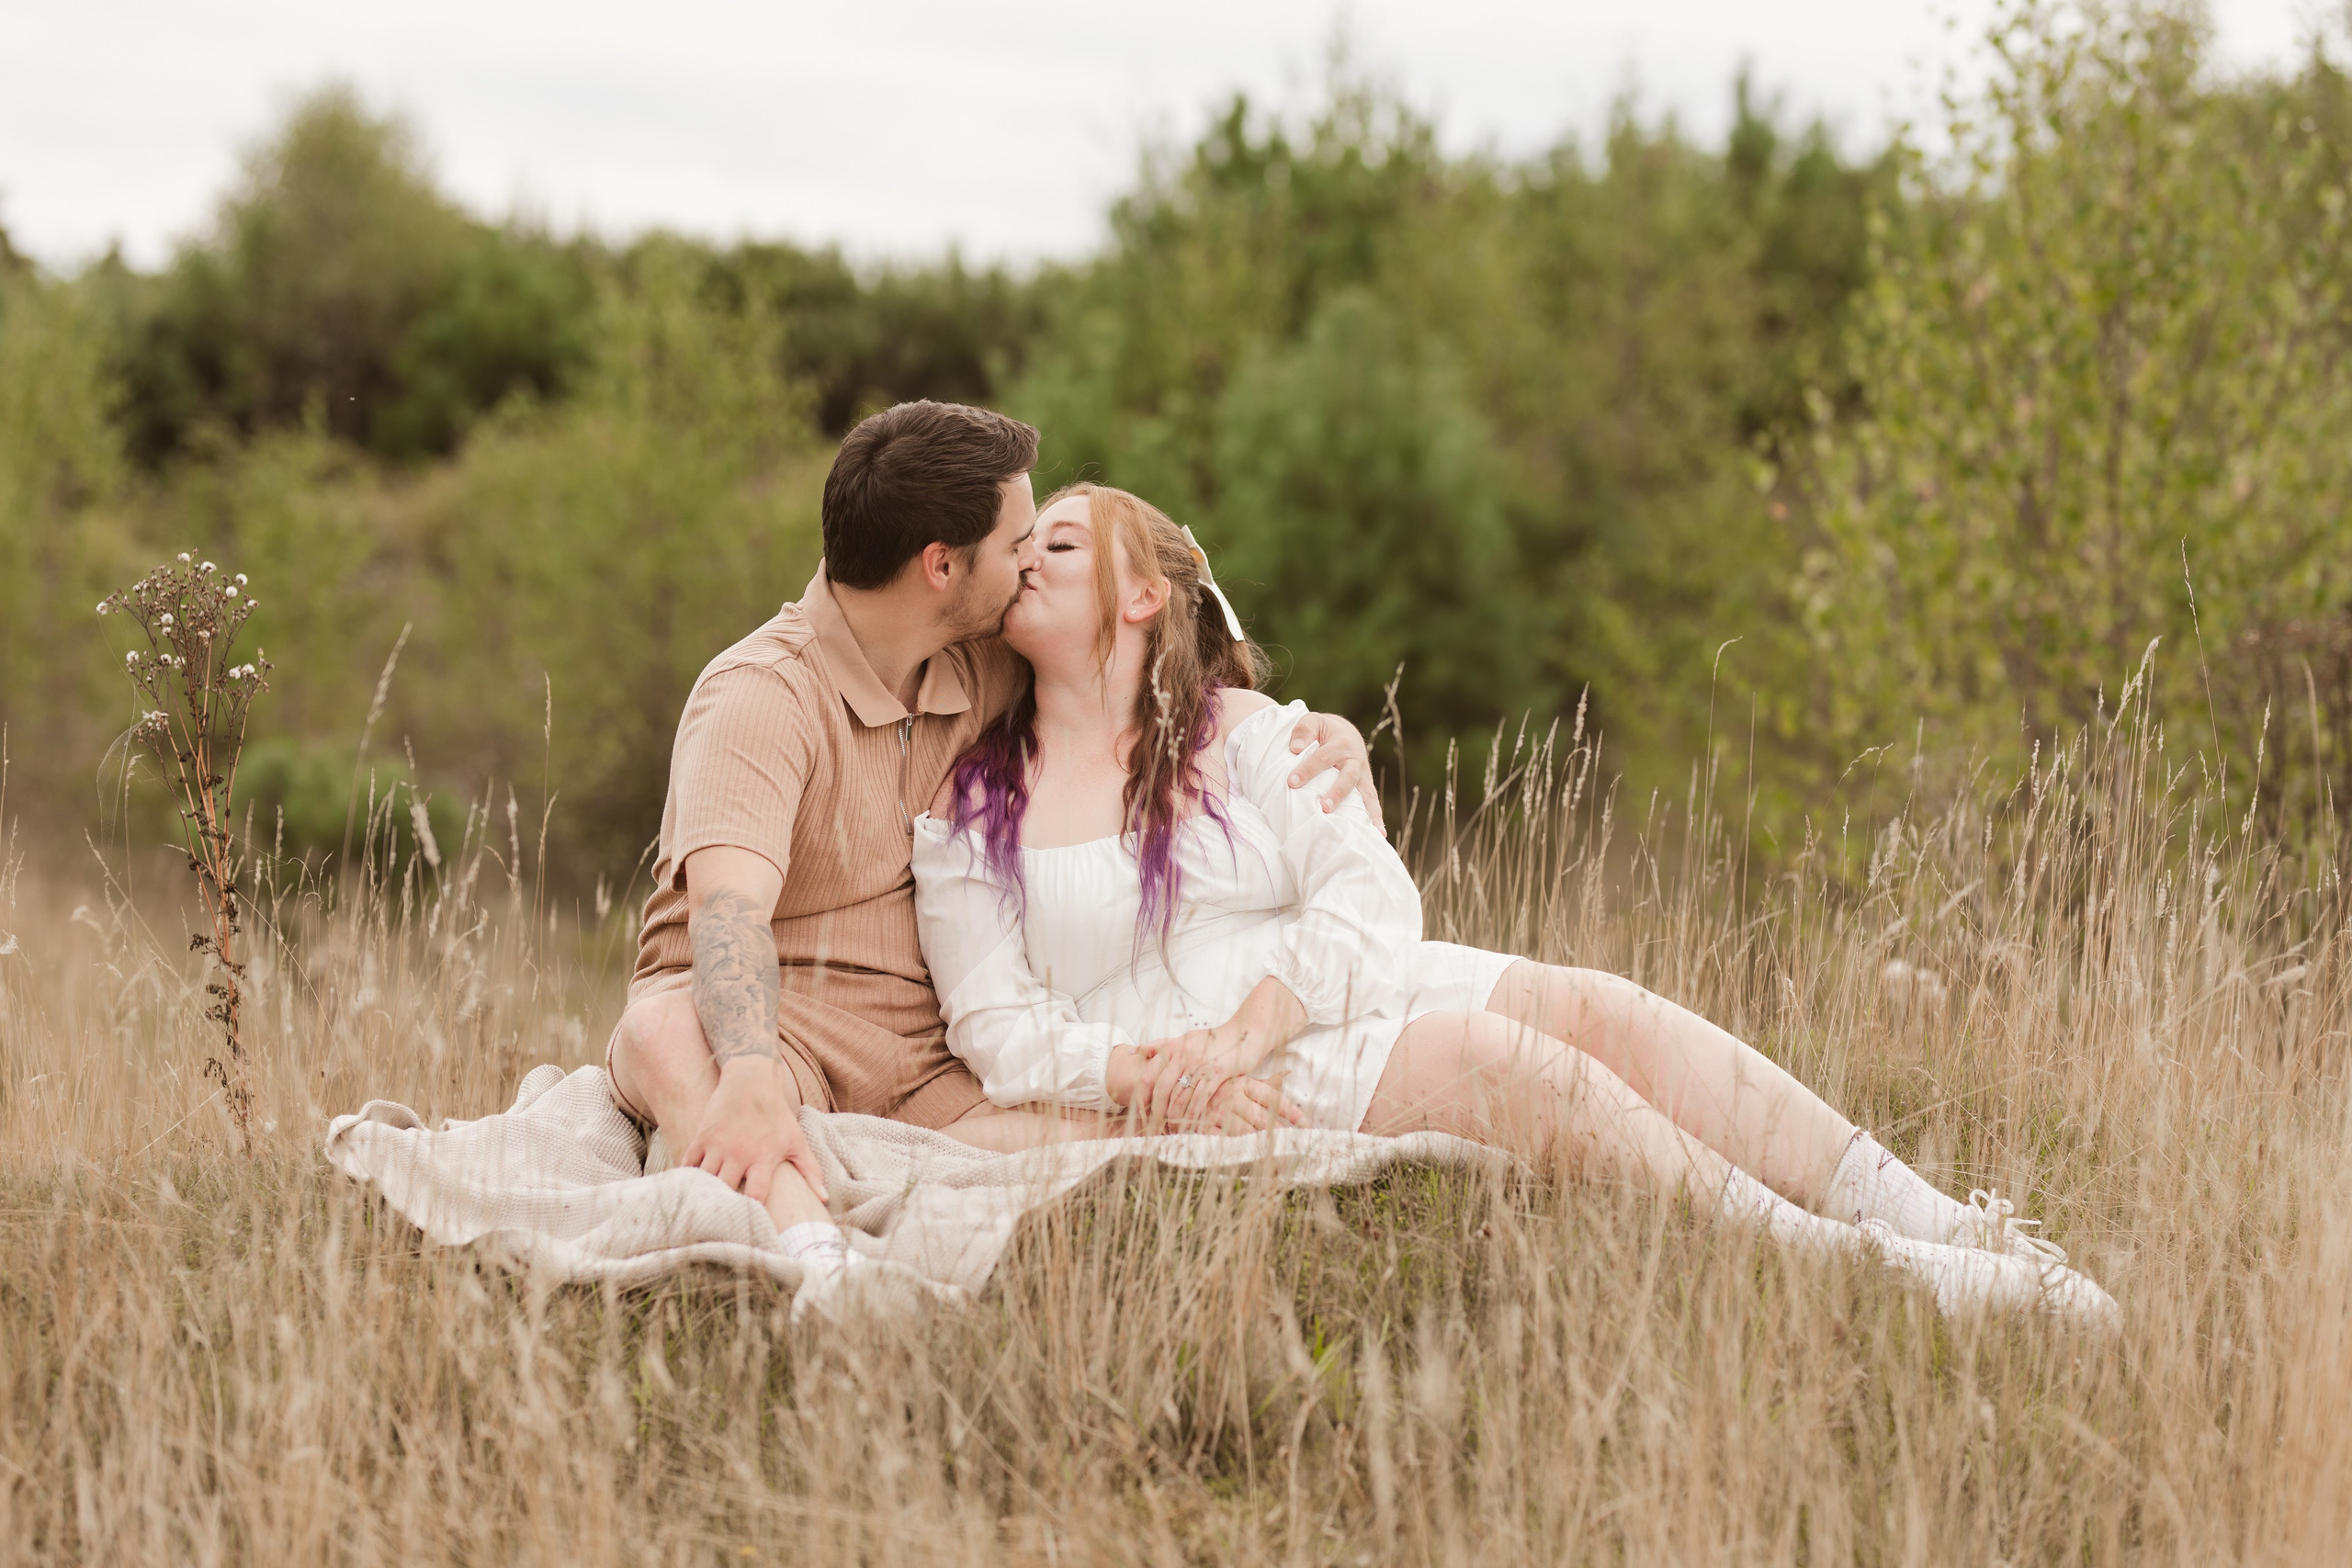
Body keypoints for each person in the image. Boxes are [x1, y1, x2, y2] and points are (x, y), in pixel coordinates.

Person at [910, 482, 2120, 1325]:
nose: (1027, 559)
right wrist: (1153, 1073)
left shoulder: (1255, 738)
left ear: (1142, 599)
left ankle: (1944, 1217)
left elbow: (1373, 904)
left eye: (1059, 544)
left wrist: (1250, 1026)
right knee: (1503, 1058)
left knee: (1597, 1006)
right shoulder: (971, 812)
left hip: (1301, 1004)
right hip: (1192, 1068)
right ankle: (1858, 1265)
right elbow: (997, 1028)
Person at [604, 404, 1380, 1280]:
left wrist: (1314, 730)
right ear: (942, 566)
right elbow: (727, 910)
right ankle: (818, 1259)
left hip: (932, 1062)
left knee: (1176, 1128)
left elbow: (1147, 664)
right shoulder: (760, 696)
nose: (1029, 565)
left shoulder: (979, 658)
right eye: (1018, 545)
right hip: (783, 1031)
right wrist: (749, 1067)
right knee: (661, 1028)